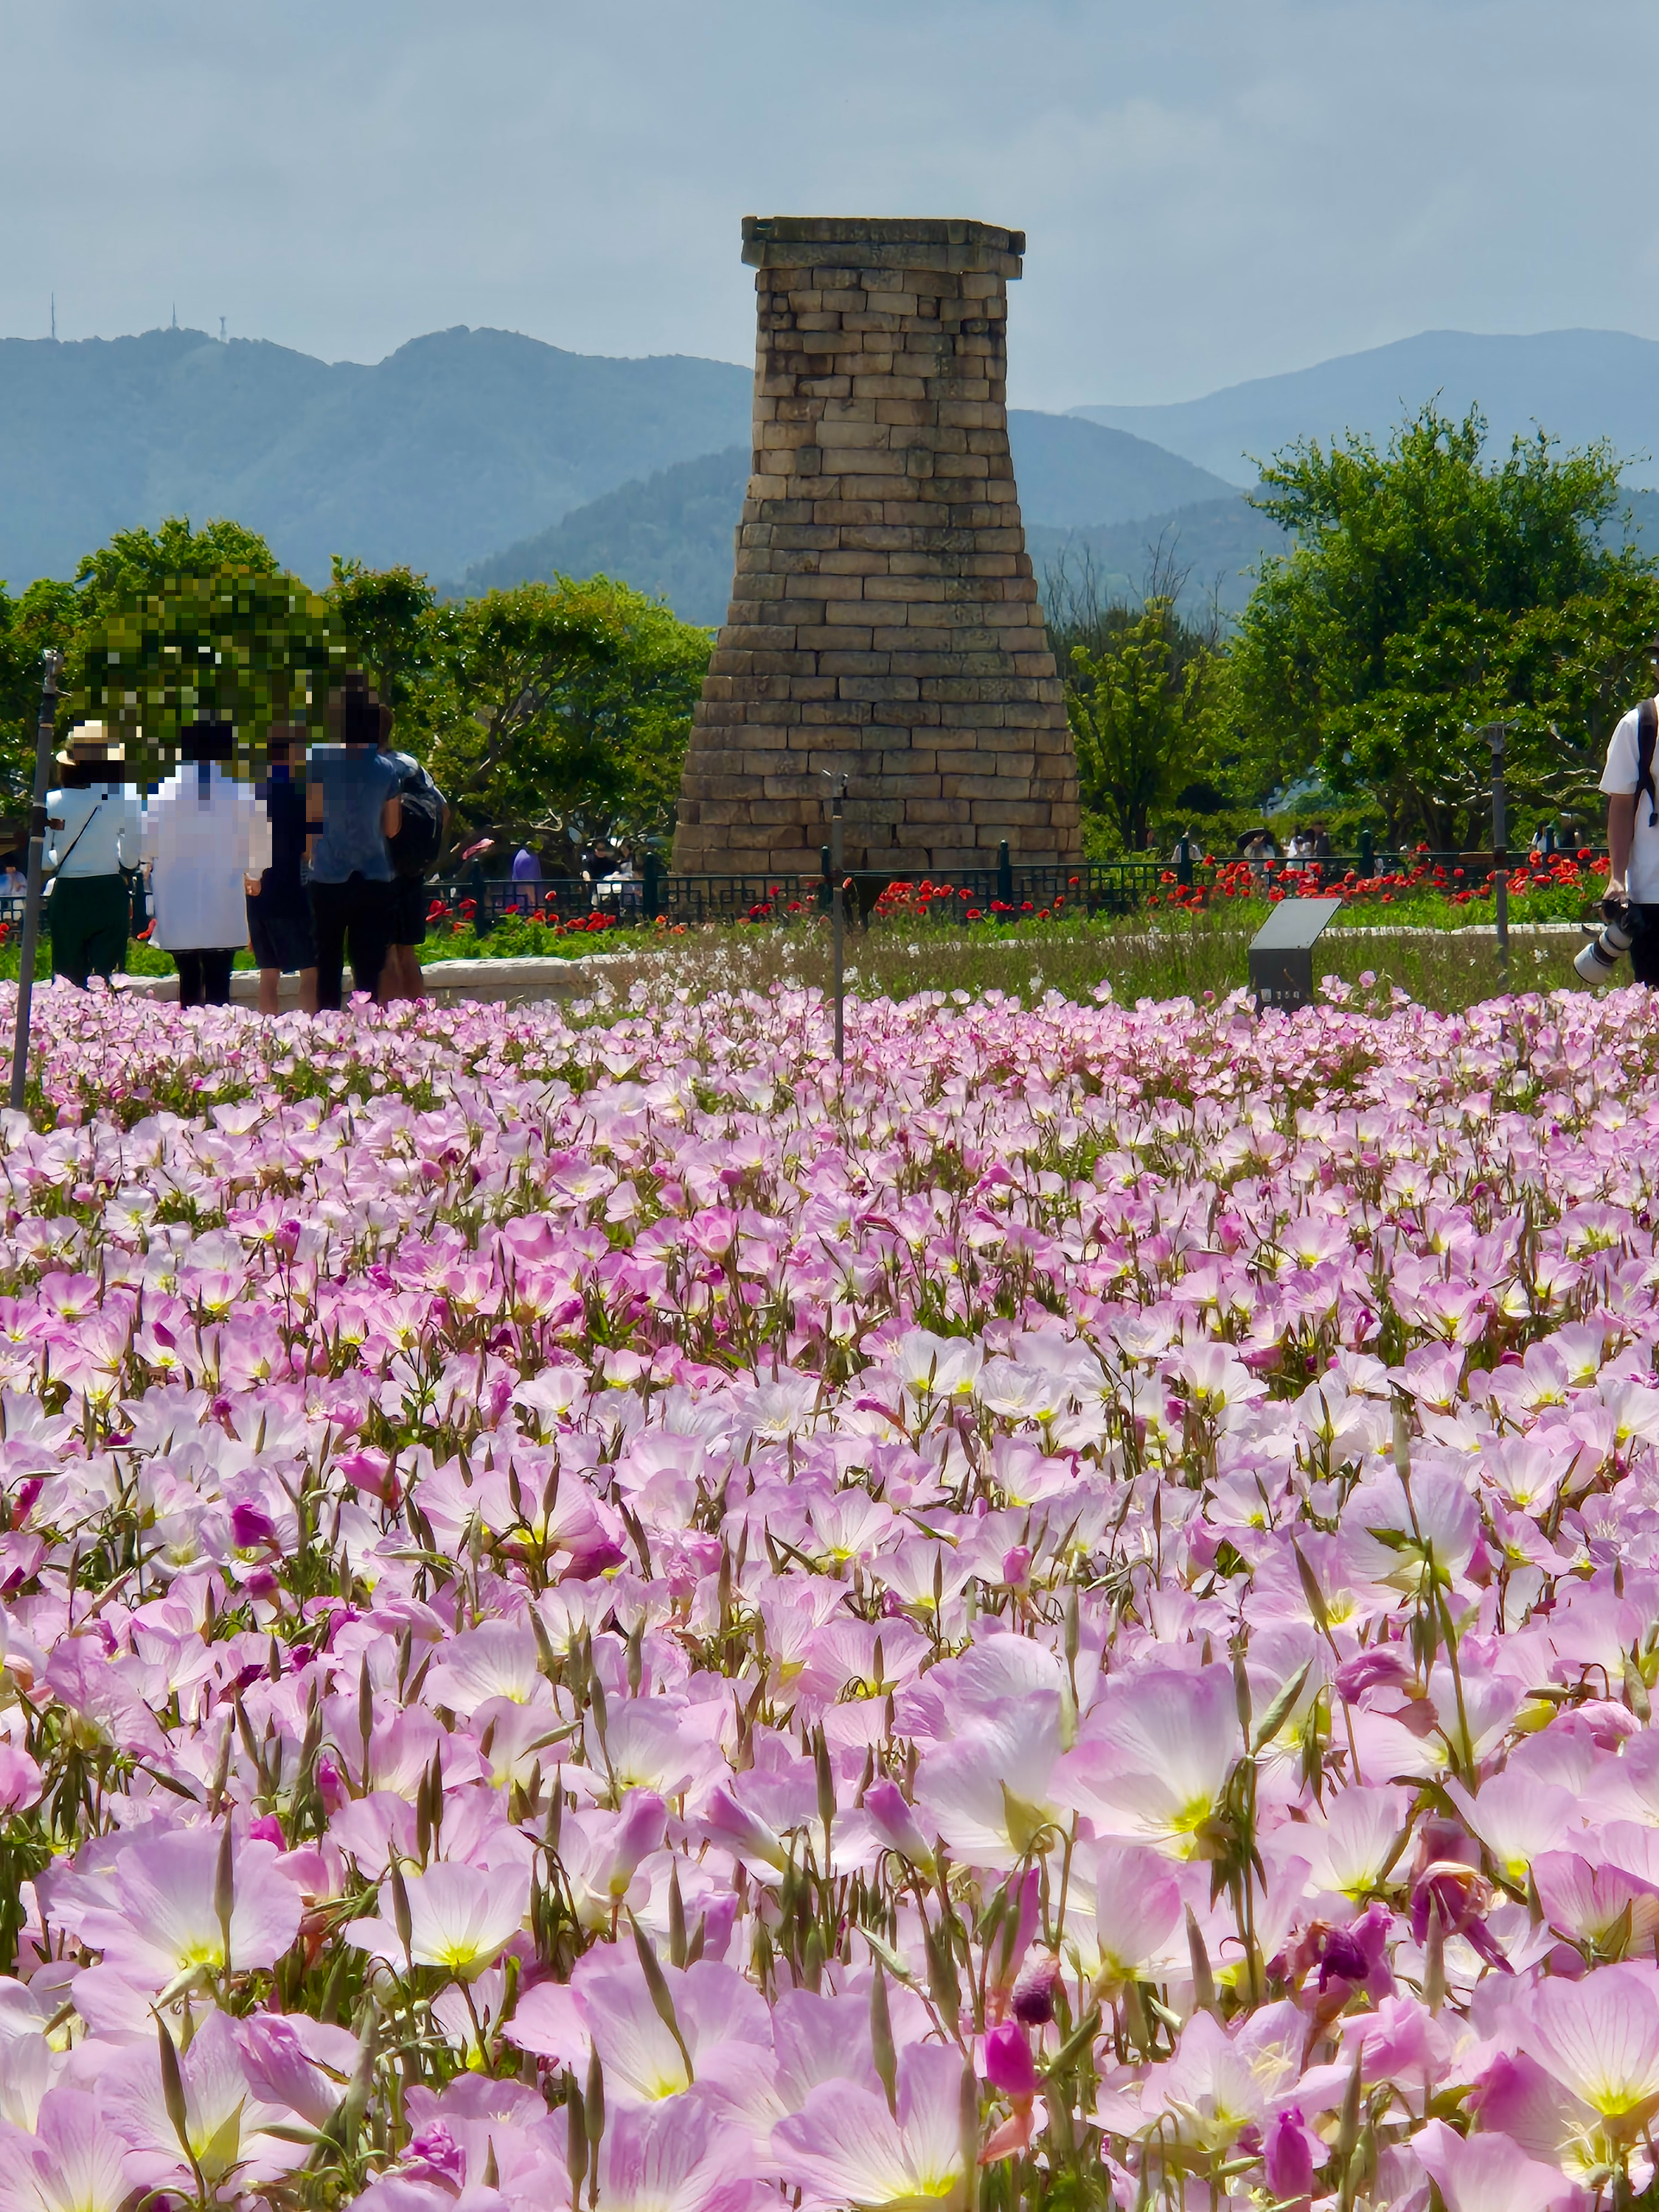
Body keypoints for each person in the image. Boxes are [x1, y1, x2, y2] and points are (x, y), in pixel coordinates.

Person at [142, 720, 270, 1007]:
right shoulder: (240, 790)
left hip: (177, 896)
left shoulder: (163, 792)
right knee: (219, 975)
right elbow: (259, 836)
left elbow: (147, 844)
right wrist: (254, 874)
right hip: (222, 897)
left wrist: (147, 866)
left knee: (187, 974)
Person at [305, 685, 402, 1011]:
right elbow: (392, 828)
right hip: (374, 875)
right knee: (368, 966)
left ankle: (327, 1034)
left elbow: (312, 817)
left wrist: (310, 856)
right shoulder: (387, 769)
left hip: (328, 874)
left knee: (327, 961)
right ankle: (369, 1030)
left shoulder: (319, 761)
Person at [45, 723, 142, 988]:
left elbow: (43, 860)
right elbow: (132, 859)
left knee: (68, 982)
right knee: (108, 979)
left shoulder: (52, 801)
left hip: (68, 894)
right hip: (109, 892)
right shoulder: (126, 798)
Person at [246, 725, 317, 1016]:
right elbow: (307, 849)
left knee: (268, 973)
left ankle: (268, 1038)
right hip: (290, 889)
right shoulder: (300, 792)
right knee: (311, 970)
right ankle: (312, 1033)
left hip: (258, 892)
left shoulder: (251, 791)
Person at [378, 723, 446, 1004]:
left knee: (385, 952)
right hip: (413, 869)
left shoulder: (370, 768)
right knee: (407, 952)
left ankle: (390, 1025)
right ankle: (419, 1019)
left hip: (379, 868)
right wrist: (428, 855)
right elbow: (443, 808)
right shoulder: (411, 765)